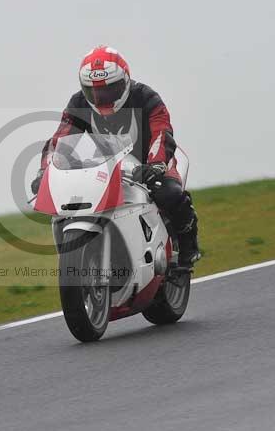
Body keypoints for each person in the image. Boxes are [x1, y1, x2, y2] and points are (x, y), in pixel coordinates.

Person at [31, 45, 200, 270]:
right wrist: (46, 170)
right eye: (94, 92)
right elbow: (61, 138)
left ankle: (189, 246)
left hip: (150, 162)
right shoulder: (79, 103)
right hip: (104, 167)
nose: (102, 98)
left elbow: (161, 130)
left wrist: (156, 163)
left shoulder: (145, 97)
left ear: (125, 81)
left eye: (109, 90)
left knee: (169, 193)